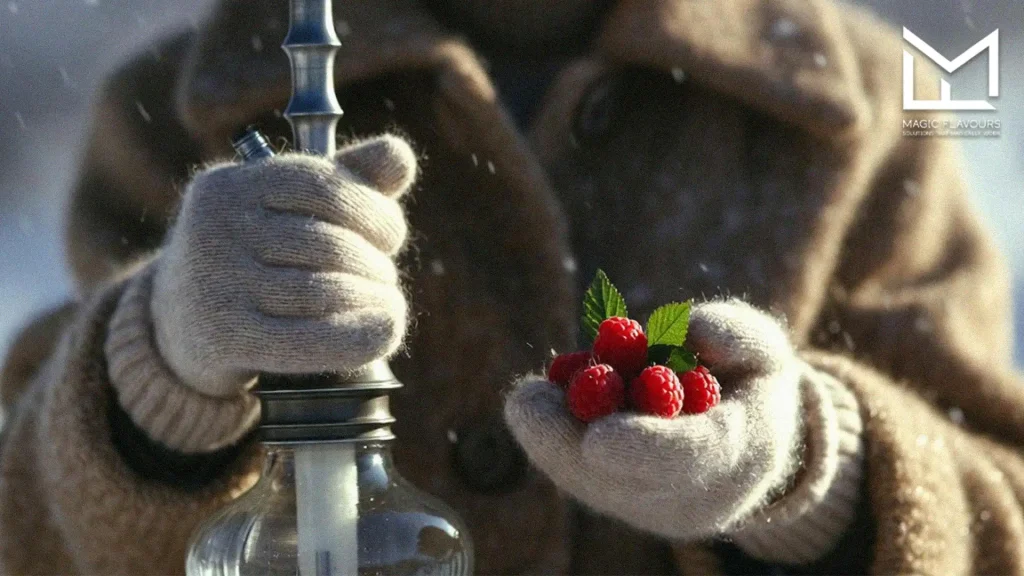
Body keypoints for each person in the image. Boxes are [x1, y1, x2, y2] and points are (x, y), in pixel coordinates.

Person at [1, 0, 1020, 574]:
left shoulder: (865, 110)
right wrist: (161, 366)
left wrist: (809, 473)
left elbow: (1000, 513)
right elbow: (28, 525)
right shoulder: (174, 108)